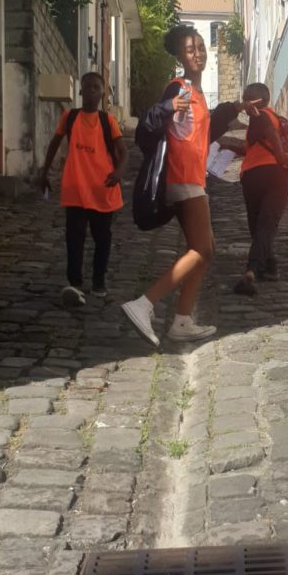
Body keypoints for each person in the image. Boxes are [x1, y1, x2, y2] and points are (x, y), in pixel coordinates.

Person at [120, 24, 259, 347]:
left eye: (200, 47)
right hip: (182, 177)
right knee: (201, 249)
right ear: (180, 55)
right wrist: (168, 108)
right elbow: (148, 126)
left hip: (193, 177)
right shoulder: (179, 89)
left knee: (205, 249)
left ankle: (182, 320)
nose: (198, 53)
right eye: (190, 49)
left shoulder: (195, 93)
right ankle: (144, 303)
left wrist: (236, 109)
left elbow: (201, 134)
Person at [40, 72, 128, 306]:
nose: (91, 91)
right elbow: (54, 144)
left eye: (96, 87)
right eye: (87, 87)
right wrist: (44, 172)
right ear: (80, 91)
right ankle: (75, 284)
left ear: (102, 92)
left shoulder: (107, 121)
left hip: (102, 189)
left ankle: (99, 281)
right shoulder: (69, 117)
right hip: (75, 189)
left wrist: (118, 173)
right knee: (74, 238)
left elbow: (123, 151)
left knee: (102, 238)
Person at [230, 83, 288, 297]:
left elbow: (270, 134)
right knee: (262, 225)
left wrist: (281, 156)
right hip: (270, 177)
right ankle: (269, 266)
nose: (245, 104)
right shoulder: (268, 119)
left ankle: (252, 270)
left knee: (260, 225)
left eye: (248, 99)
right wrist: (225, 145)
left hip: (261, 176)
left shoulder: (262, 116)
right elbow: (250, 149)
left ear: (257, 101)